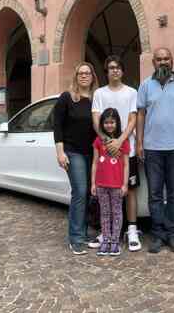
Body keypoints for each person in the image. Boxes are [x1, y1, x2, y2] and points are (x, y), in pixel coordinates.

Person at [136, 47, 174, 253]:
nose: (163, 62)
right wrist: (139, 143)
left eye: (166, 59)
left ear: (172, 61)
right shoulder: (145, 85)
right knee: (154, 194)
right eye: (159, 59)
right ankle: (158, 234)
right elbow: (141, 115)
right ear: (153, 63)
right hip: (152, 148)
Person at [91, 55, 141, 252]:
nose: (115, 71)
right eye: (111, 68)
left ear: (122, 71)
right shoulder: (99, 93)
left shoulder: (131, 92)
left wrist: (120, 141)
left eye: (118, 67)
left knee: (129, 189)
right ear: (107, 71)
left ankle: (132, 230)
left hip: (126, 148)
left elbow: (132, 119)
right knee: (105, 190)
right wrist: (106, 140)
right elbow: (96, 120)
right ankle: (107, 232)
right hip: (105, 149)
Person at [53, 62, 98, 255]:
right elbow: (57, 125)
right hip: (73, 152)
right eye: (81, 73)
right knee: (79, 192)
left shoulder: (97, 98)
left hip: (93, 153)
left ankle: (84, 232)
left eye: (88, 73)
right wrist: (60, 152)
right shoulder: (67, 97)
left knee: (88, 193)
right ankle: (76, 238)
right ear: (76, 76)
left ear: (93, 76)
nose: (84, 76)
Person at [91, 108, 130, 256]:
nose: (109, 125)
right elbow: (95, 163)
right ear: (102, 124)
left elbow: (126, 165)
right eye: (106, 122)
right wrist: (93, 183)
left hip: (116, 186)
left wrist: (125, 184)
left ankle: (115, 242)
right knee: (105, 213)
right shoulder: (98, 141)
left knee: (117, 213)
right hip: (101, 185)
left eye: (112, 122)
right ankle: (106, 240)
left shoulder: (123, 142)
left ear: (117, 123)